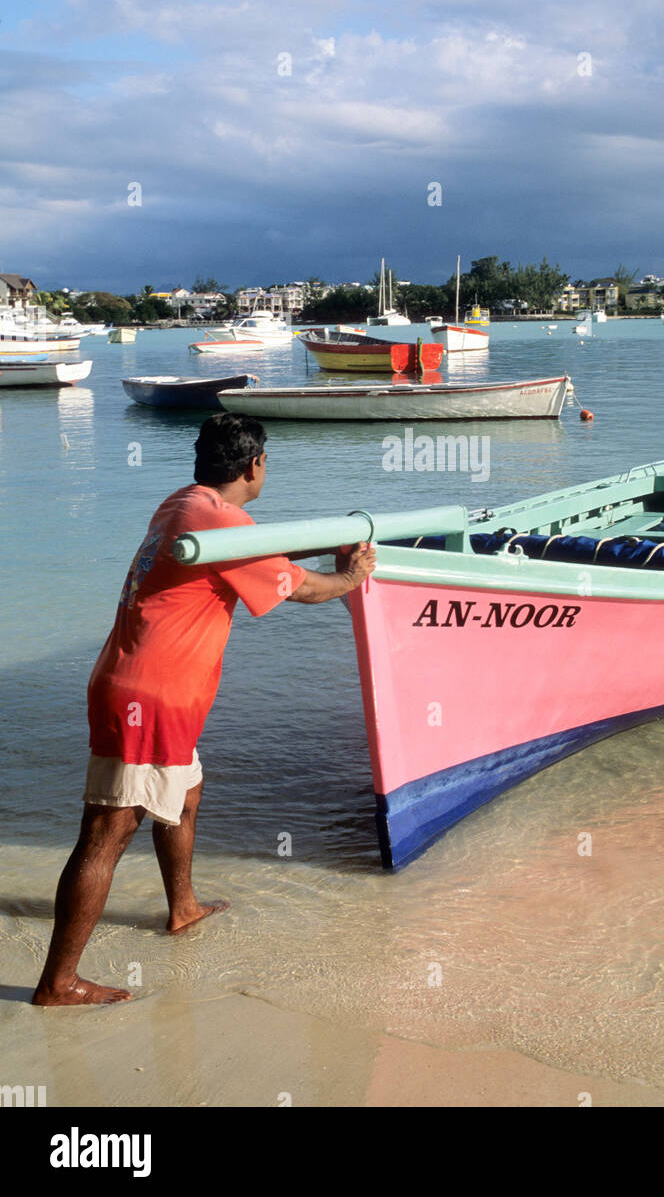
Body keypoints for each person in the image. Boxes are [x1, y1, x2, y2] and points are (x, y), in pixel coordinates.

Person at [32, 413, 375, 1006]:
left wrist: (331, 535)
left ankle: (182, 907)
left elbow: (259, 547)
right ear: (255, 466)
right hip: (150, 697)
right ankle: (58, 982)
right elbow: (302, 587)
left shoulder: (183, 505)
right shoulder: (221, 522)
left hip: (142, 687)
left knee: (185, 794)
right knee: (108, 831)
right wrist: (350, 574)